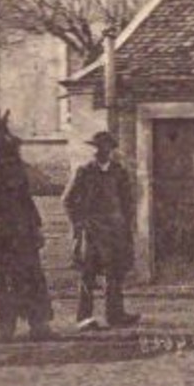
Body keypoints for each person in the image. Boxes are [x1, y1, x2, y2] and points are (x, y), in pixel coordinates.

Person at [0, 137, 55, 341]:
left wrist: (35, 228)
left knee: (14, 279)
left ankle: (26, 326)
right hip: (7, 236)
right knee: (18, 278)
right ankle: (23, 326)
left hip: (13, 235)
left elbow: (27, 201)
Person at [63, 131, 140, 329]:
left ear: (111, 150)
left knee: (115, 273)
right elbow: (67, 200)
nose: (100, 151)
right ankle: (84, 318)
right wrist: (79, 224)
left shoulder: (118, 172)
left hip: (115, 230)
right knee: (88, 274)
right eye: (96, 148)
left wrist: (127, 223)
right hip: (92, 231)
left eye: (105, 147)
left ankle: (115, 315)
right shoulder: (84, 171)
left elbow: (128, 201)